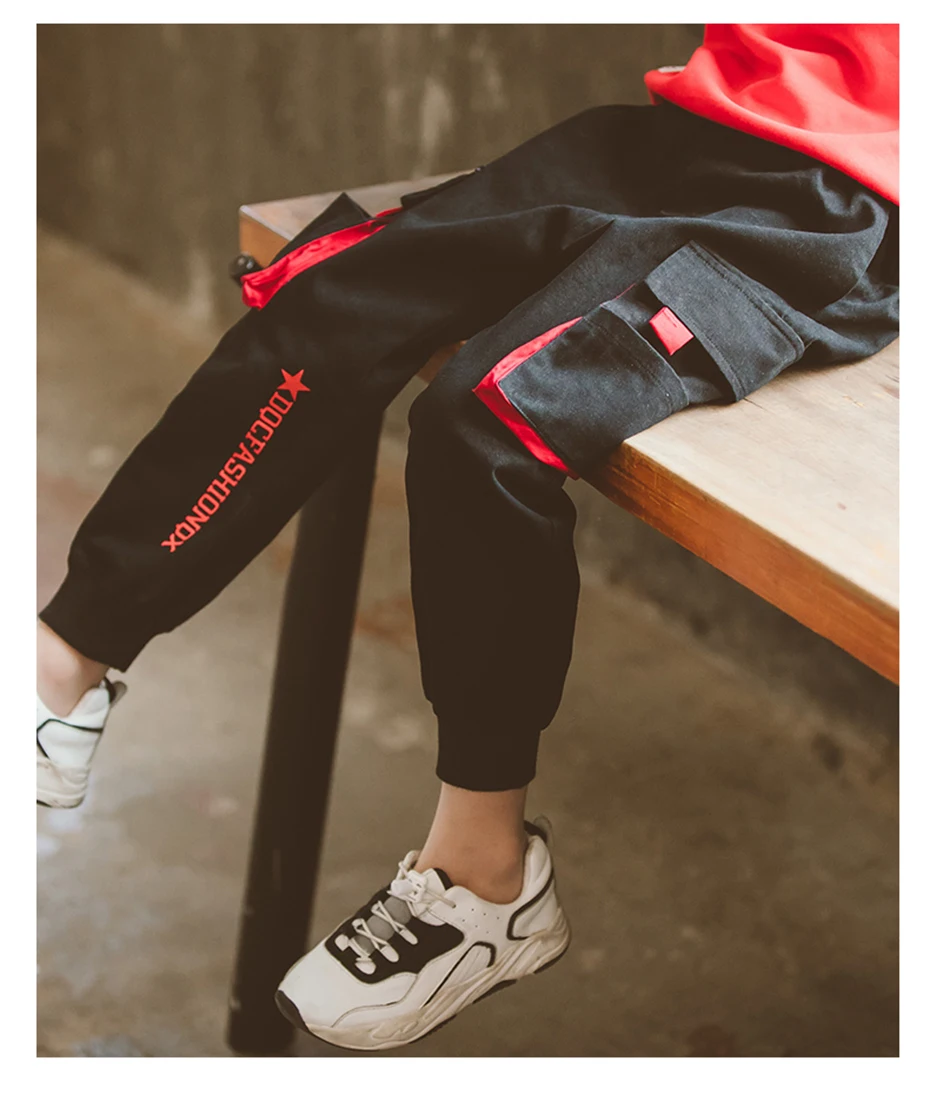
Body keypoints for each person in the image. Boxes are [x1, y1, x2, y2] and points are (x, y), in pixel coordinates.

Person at [36, 24, 899, 1051]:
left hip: (831, 211)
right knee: (336, 294)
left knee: (487, 423)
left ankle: (488, 877)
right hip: (692, 127)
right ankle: (62, 667)